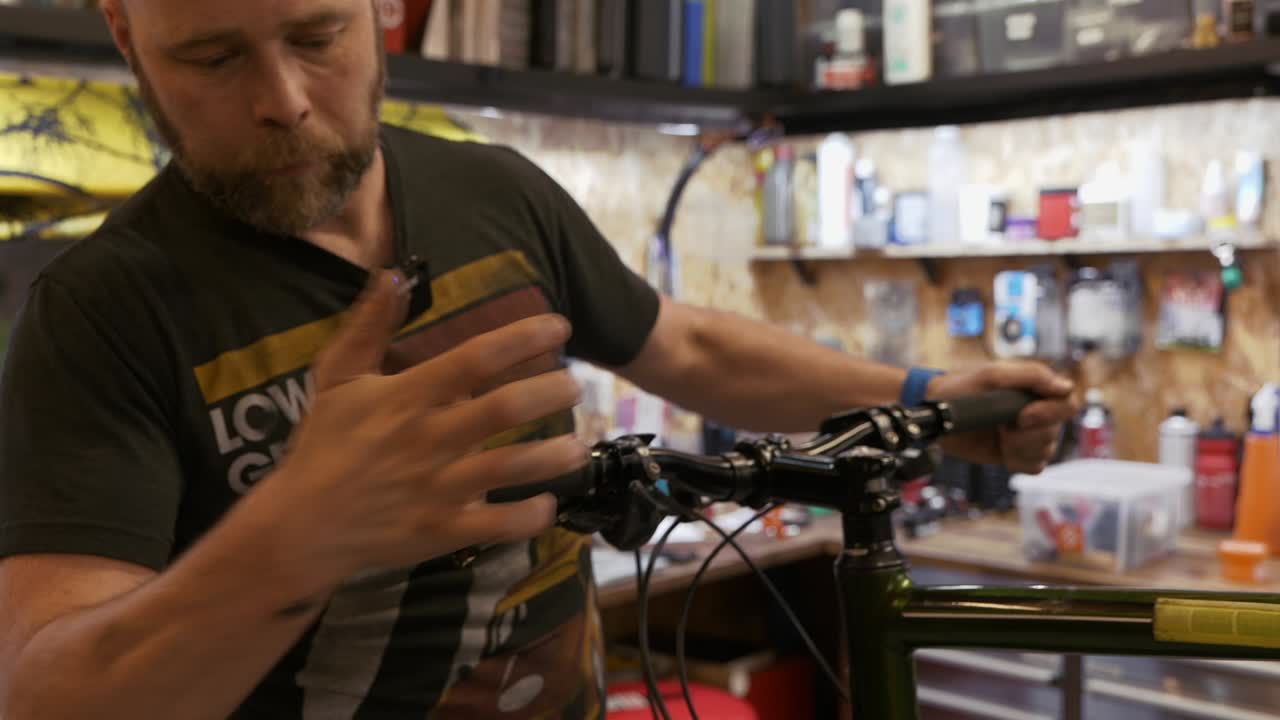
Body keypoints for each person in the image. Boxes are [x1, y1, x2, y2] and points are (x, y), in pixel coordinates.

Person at [0, 0, 1077, 717]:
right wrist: (292, 543)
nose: (280, 98)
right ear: (125, 32)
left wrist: (932, 397)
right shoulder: (99, 311)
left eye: (314, 34)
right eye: (212, 54)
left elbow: (683, 343)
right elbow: (47, 693)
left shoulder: (496, 192)